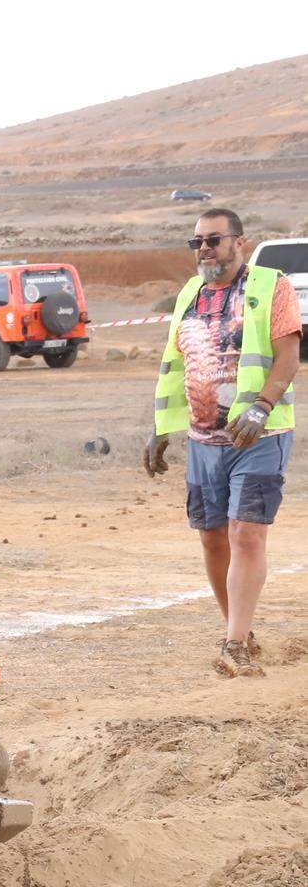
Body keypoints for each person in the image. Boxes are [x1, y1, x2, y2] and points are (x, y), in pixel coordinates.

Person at [143, 207, 302, 678]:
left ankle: (233, 643)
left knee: (245, 533)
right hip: (202, 439)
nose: (204, 250)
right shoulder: (190, 294)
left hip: (258, 434)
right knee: (212, 539)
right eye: (197, 242)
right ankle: (240, 630)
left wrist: (261, 406)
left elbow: (288, 354)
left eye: (213, 240)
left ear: (240, 242)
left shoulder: (271, 286)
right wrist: (161, 427)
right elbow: (176, 362)